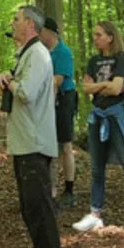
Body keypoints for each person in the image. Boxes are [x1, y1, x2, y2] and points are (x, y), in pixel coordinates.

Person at [0, 5, 65, 248]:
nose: (12, 23)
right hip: (25, 143)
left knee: (40, 214)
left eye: (16, 19)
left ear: (31, 25)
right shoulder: (26, 54)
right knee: (32, 212)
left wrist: (10, 81)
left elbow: (26, 93)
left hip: (35, 146)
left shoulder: (37, 54)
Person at [73, 21, 124, 240]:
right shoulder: (93, 61)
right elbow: (85, 87)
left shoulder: (121, 58)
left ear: (110, 37)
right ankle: (95, 213)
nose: (95, 38)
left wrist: (101, 87)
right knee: (97, 167)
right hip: (97, 115)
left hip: (117, 115)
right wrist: (106, 85)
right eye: (94, 34)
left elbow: (118, 88)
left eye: (99, 34)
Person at [40, 17, 78, 208]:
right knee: (50, 145)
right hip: (48, 101)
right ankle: (51, 190)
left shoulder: (63, 52)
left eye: (42, 31)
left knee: (65, 144)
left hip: (63, 100)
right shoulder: (42, 52)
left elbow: (58, 80)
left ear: (51, 32)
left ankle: (69, 189)